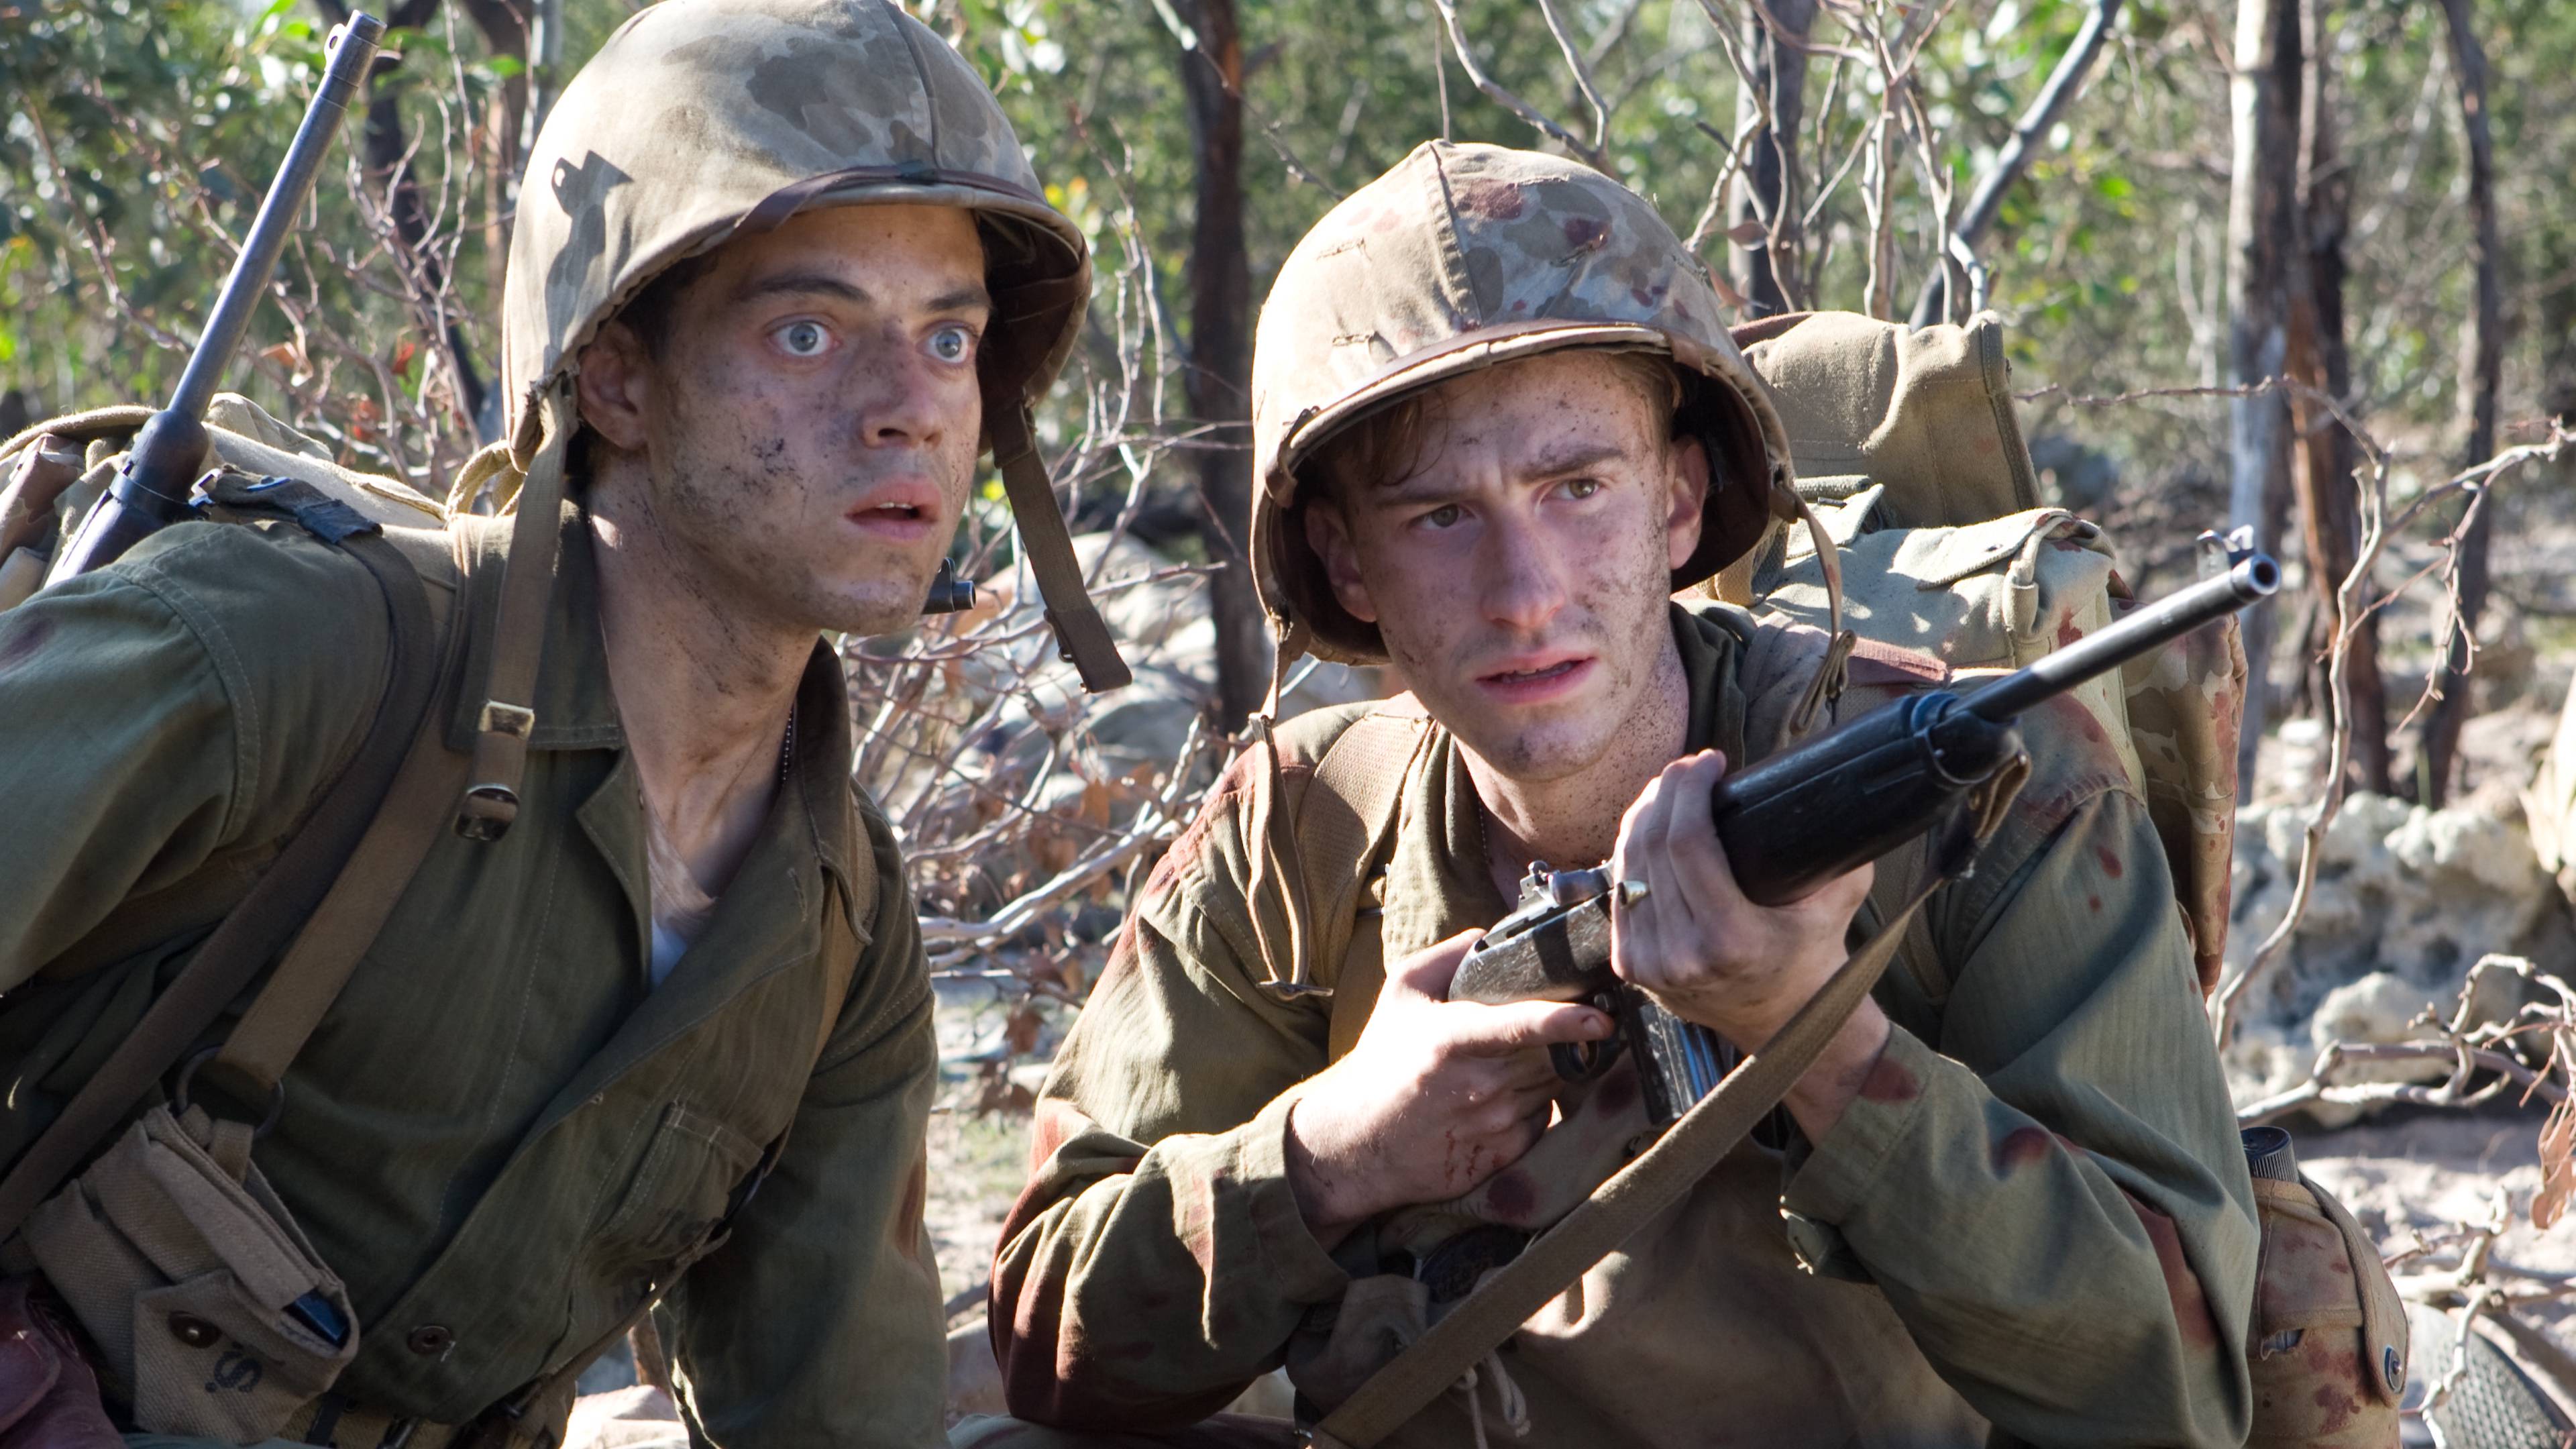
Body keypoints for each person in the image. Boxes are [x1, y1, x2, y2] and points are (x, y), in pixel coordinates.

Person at [972, 142, 2259, 1448]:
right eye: (1437, 517)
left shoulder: (1995, 786)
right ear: (1344, 563)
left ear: (1681, 504)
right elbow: (1049, 1346)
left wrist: (1822, 1046)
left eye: (1576, 489)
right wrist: (1327, 1157)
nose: (1525, 591)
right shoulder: (1300, 826)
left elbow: (2173, 1402)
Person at [0, 1, 1113, 1444]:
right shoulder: (288, 657)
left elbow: (830, 1407)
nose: (909, 409)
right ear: (616, 379)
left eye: (951, 340)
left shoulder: (836, 927)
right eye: (806, 329)